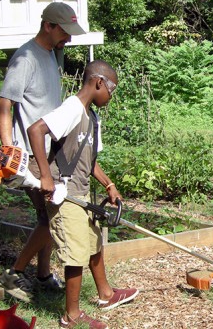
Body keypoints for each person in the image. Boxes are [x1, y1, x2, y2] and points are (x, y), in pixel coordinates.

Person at [28, 60, 138, 329]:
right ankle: (71, 316)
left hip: (81, 192)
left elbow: (88, 161)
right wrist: (45, 175)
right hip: (64, 195)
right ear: (99, 82)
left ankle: (106, 295)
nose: (111, 96)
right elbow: (36, 130)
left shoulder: (91, 117)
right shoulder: (72, 108)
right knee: (76, 253)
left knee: (92, 243)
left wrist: (109, 185)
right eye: (111, 89)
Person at [0, 2, 86, 302]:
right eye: (64, 32)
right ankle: (13, 276)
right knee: (52, 218)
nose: (69, 39)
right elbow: (5, 106)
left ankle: (44, 275)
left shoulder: (51, 54)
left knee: (47, 218)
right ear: (48, 25)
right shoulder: (26, 59)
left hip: (49, 150)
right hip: (32, 155)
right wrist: (11, 152)